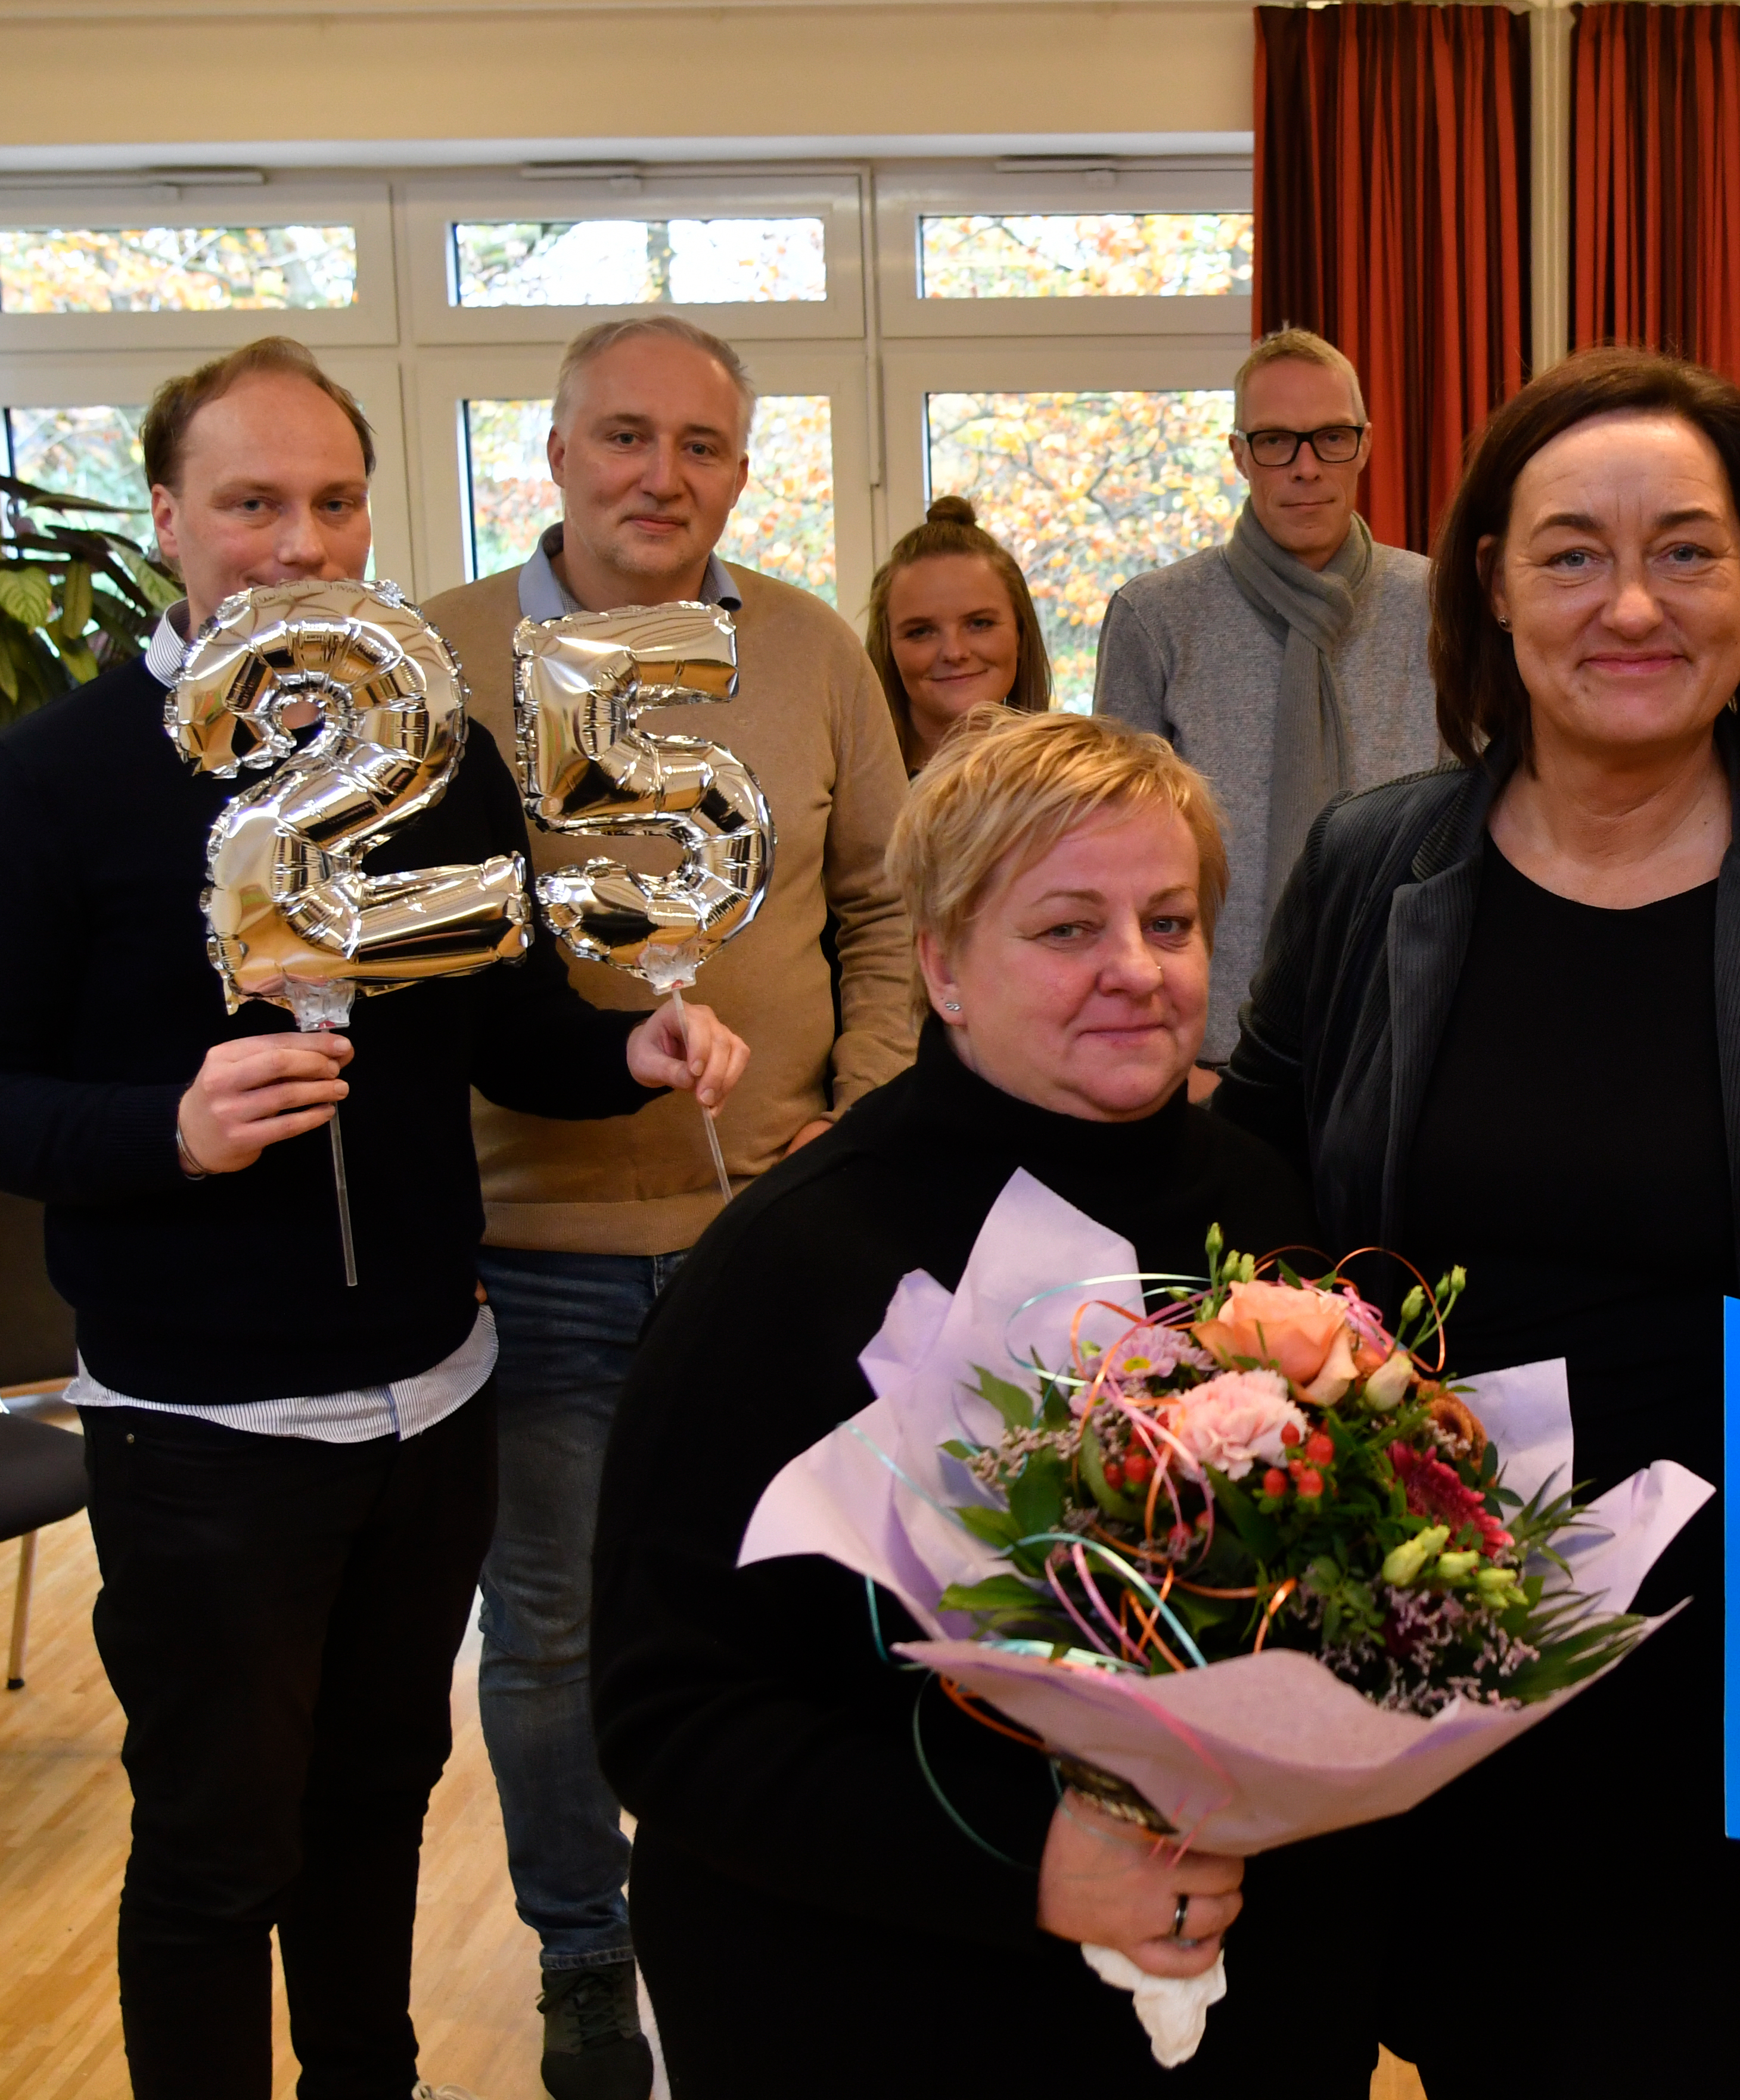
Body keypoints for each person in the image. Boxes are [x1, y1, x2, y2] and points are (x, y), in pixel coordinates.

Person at [1216, 347, 1740, 2099]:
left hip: (1734, 1690)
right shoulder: (1372, 873)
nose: (1631, 602)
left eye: (1687, 548)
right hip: (1409, 1675)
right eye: (1572, 552)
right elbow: (1259, 1242)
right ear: (1494, 589)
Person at [0, 337, 745, 2100]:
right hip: (203, 1431)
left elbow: (502, 1030)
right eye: (252, 499)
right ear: (167, 513)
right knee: (212, 1849)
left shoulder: (436, 751)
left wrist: (627, 1043)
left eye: (334, 500)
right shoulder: (60, 780)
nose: (298, 537)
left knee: (377, 1803)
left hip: (438, 1394)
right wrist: (168, 1127)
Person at [591, 708, 1381, 2097]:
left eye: (1170, 920)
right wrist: (1032, 1851)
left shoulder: (1264, 1207)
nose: (1135, 970)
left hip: (1236, 1992)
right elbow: (668, 1713)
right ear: (944, 965)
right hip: (883, 2005)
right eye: (1067, 929)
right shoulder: (792, 1262)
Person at [421, 313, 915, 2099]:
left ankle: (804, 1900)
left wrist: (856, 1117)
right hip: (526, 1247)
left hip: (773, 1246)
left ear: (740, 467)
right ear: (552, 453)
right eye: (622, 437)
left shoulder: (809, 652)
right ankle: (580, 1942)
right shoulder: (441, 657)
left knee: (804, 1598)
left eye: (699, 445)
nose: (660, 474)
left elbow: (883, 901)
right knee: (547, 1626)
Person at [1092, 326, 1439, 1077]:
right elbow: (1112, 851)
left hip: (1401, 1034)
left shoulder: (1438, 606)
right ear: (1239, 454)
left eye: (1330, 438)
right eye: (1277, 441)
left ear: (1365, 444)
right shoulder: (1156, 617)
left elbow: (1483, 824)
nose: (1306, 467)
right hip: (1210, 1047)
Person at [862, 493, 1052, 772]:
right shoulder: (851, 798)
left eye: (979, 624)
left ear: (1021, 635)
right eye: (921, 632)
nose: (954, 652)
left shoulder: (1077, 789)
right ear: (887, 647)